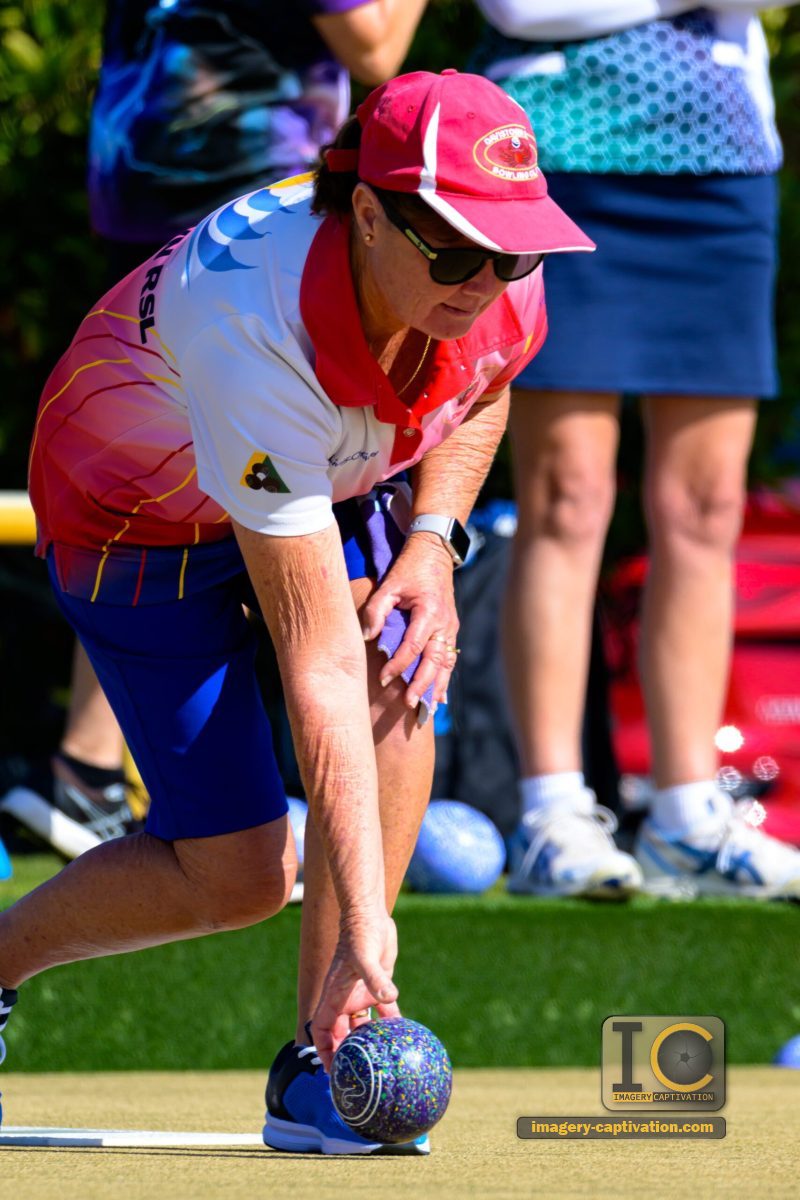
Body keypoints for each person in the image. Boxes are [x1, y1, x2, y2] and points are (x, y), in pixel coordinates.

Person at [0, 69, 594, 1152]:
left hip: (327, 468)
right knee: (238, 879)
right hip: (136, 513)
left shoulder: (500, 274)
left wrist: (432, 539)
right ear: (366, 213)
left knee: (402, 669)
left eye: (509, 254)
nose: (484, 281)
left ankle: (325, 1050)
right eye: (453, 252)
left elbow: (485, 385)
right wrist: (369, 920)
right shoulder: (252, 321)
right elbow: (315, 661)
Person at [0, 0, 430, 857]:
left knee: (166, 473)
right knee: (272, 537)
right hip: (248, 193)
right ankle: (173, 801)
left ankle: (92, 769)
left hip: (148, 159)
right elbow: (375, 45)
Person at [472, 1, 800, 899]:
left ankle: (689, 818)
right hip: (560, 167)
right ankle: (551, 815)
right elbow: (523, 10)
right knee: (567, 497)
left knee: (706, 507)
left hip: (724, 175)